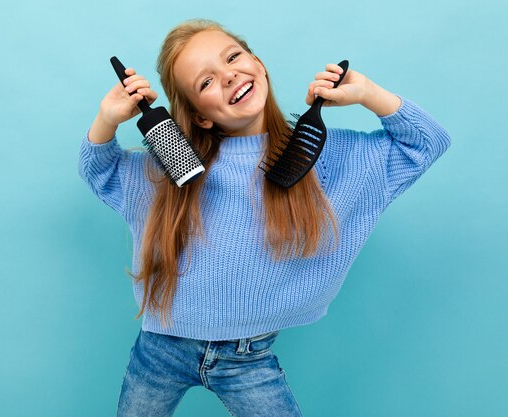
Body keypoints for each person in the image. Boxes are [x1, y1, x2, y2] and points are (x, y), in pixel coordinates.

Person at [79, 18, 451, 417]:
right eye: (205, 82)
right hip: (159, 349)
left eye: (233, 57)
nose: (227, 76)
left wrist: (368, 94)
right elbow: (98, 169)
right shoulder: (169, 172)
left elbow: (427, 142)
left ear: (259, 63)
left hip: (248, 359)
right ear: (200, 116)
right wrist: (107, 118)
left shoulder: (328, 161)